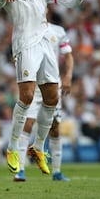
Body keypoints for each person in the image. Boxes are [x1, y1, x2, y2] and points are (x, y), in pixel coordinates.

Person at [0, 0, 96, 175]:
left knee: (51, 98)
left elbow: (69, 1)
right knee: (27, 96)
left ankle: (37, 148)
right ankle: (11, 148)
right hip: (25, 45)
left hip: (45, 46)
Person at [14, 22, 74, 182]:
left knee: (55, 127)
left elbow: (68, 55)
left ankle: (57, 172)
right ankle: (20, 170)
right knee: (27, 123)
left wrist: (68, 76)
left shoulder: (58, 30)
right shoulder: (26, 29)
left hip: (52, 84)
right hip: (33, 84)